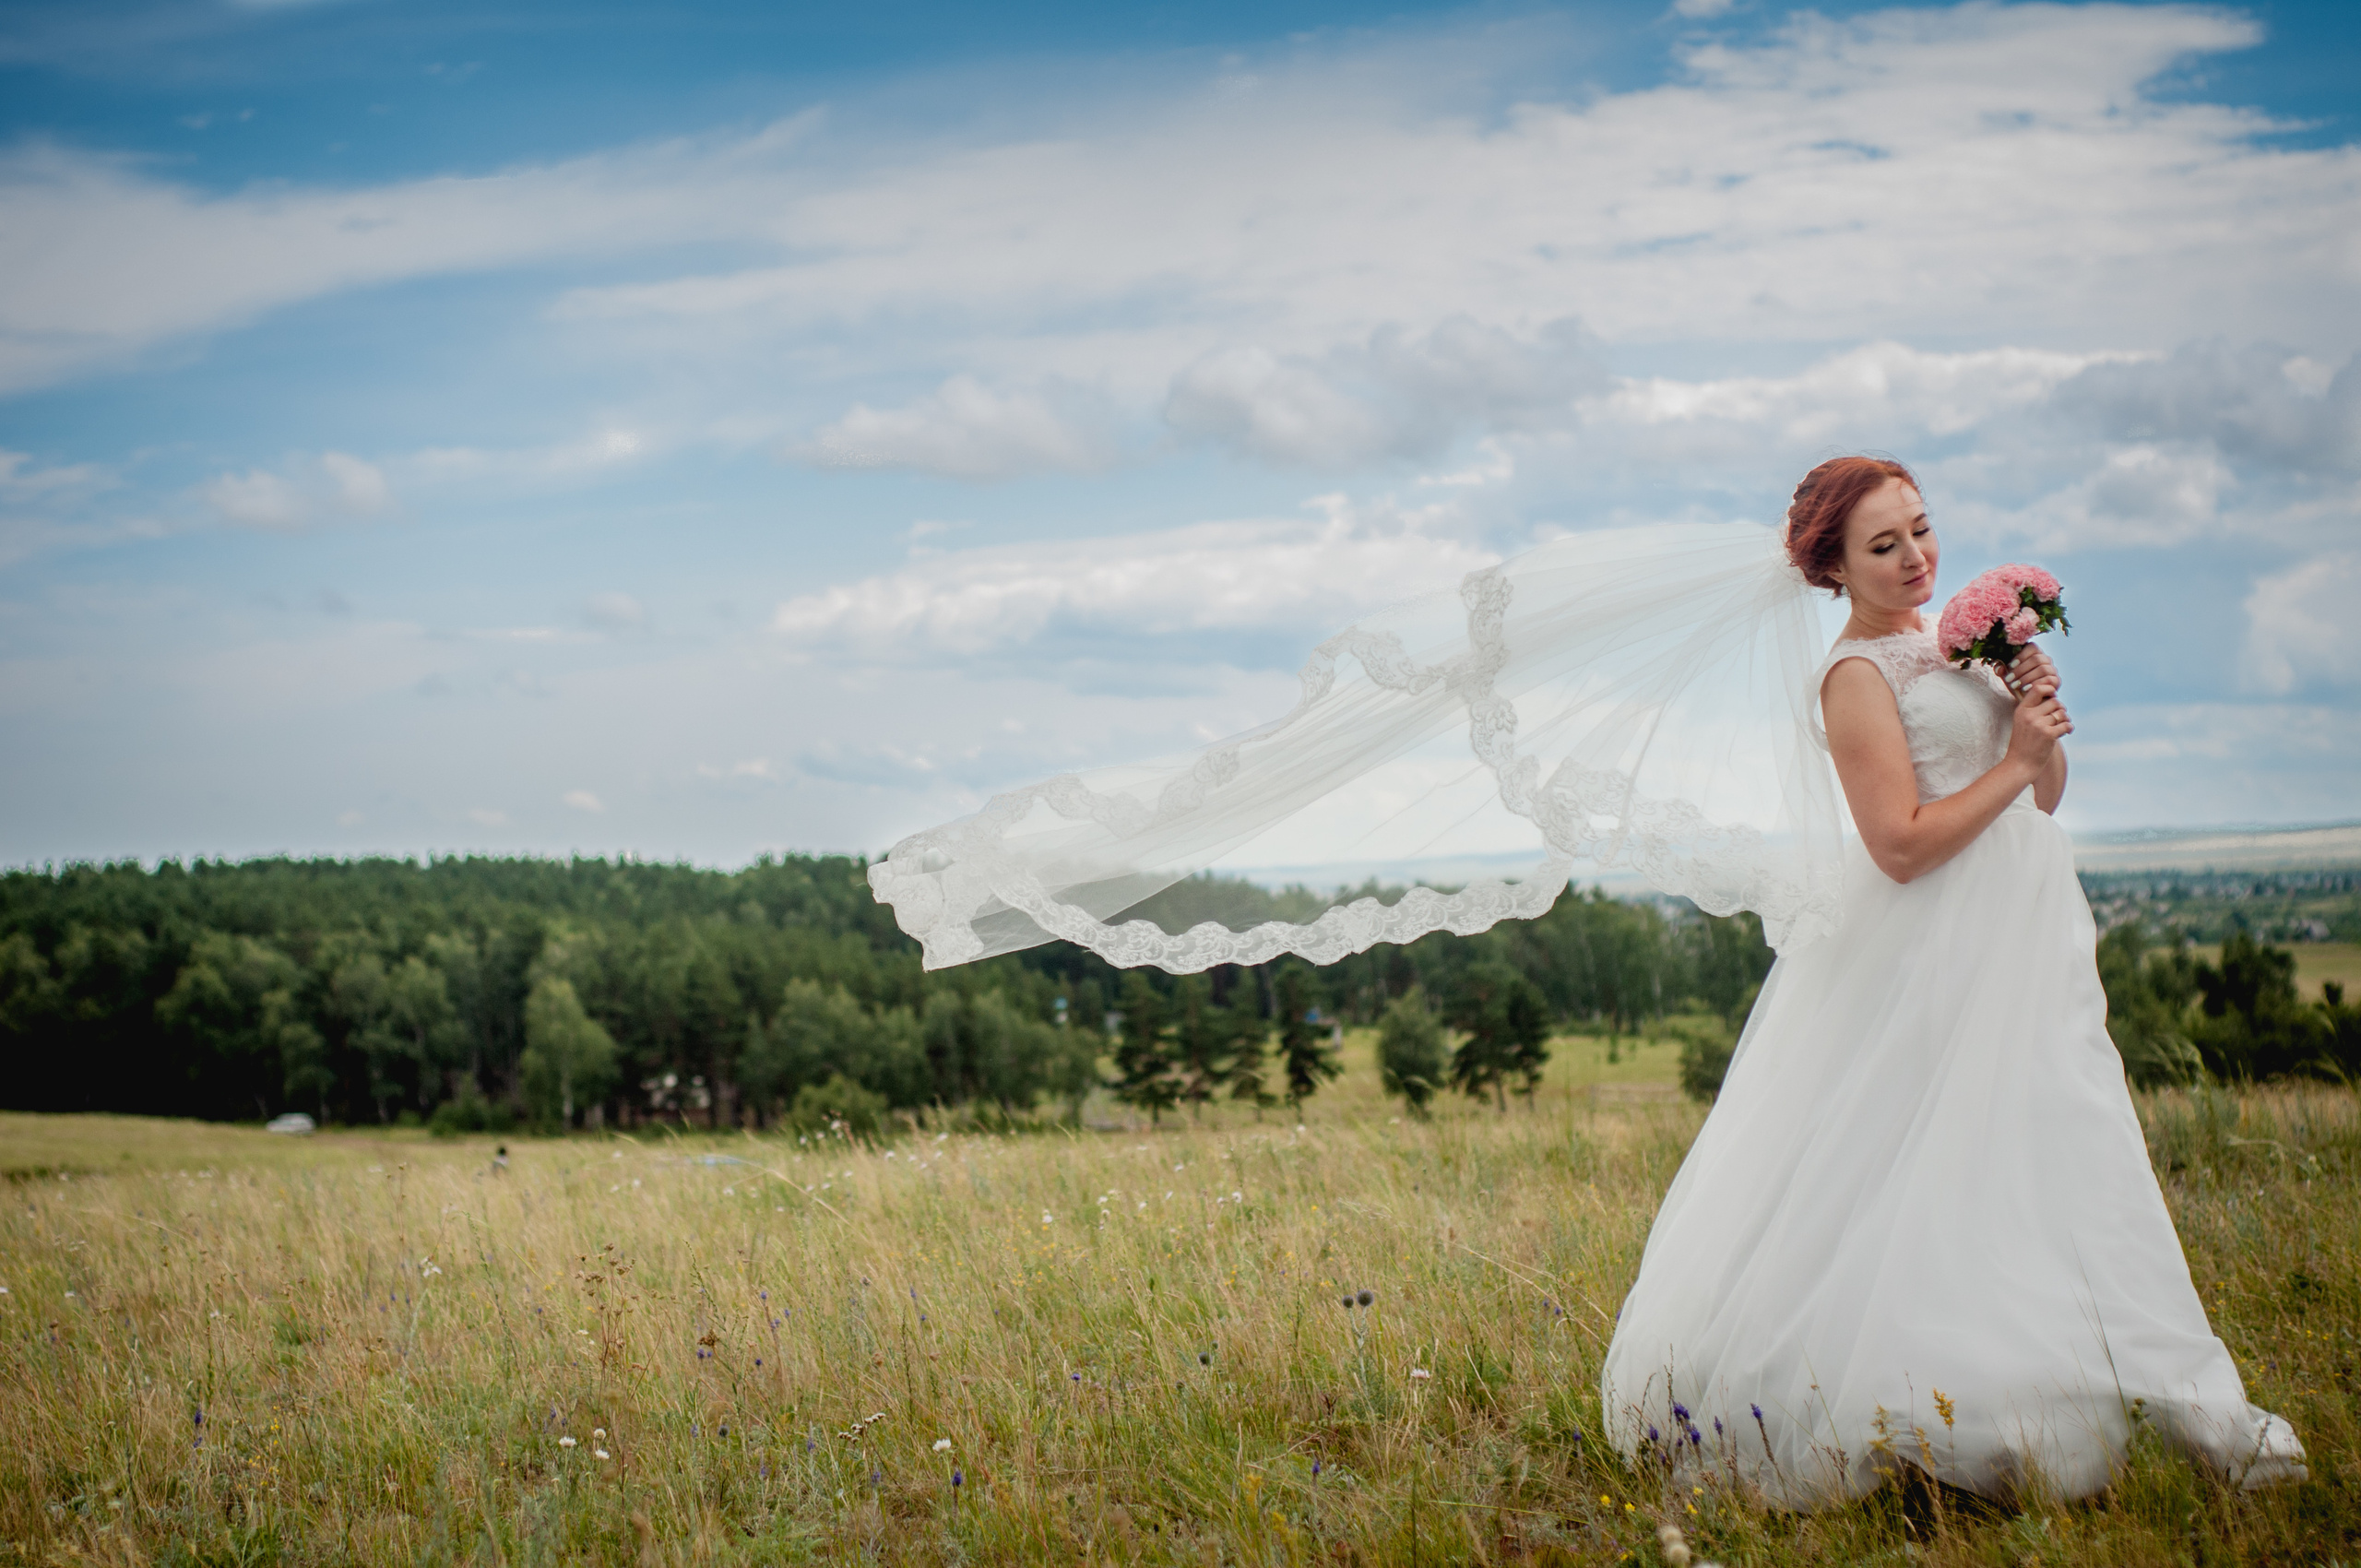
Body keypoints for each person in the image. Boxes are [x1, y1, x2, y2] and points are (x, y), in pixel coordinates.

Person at [1596, 456, 2308, 1505]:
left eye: (1920, 530)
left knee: (2057, 1144)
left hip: (2025, 936)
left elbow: (2043, 798)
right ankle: (1932, 1402)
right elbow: (1897, 843)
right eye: (1883, 545)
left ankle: (2120, 1380)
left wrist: (2033, 716)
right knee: (1933, 1158)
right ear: (1832, 565)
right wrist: (2015, 762)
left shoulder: (1953, 647)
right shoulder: (1853, 679)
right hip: (1934, 946)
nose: (1915, 556)